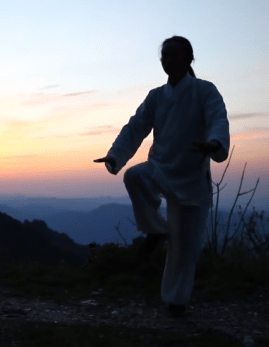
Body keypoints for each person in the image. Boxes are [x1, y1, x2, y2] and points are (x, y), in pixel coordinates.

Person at [94, 36, 230, 316]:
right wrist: (115, 154)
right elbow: (136, 127)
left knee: (184, 247)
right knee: (134, 176)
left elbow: (218, 119)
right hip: (160, 167)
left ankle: (176, 301)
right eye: (164, 56)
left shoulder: (205, 91)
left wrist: (215, 143)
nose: (168, 61)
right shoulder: (156, 96)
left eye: (174, 55)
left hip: (192, 178)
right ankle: (156, 228)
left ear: (189, 58)